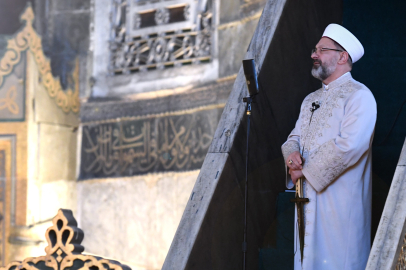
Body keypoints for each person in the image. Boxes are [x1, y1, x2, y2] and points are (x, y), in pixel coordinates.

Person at [281, 24, 377, 270]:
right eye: (315, 49)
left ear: (343, 56)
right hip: (306, 201)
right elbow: (294, 137)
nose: (314, 54)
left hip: (340, 208)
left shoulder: (360, 96)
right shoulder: (310, 100)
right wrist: (291, 156)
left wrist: (305, 171)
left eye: (322, 50)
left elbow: (349, 146)